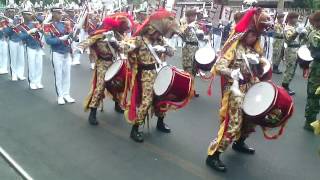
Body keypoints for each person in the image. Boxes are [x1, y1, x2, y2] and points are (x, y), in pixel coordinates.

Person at [206, 8, 272, 172]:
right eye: (252, 34)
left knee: (250, 120)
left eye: (256, 35)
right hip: (235, 90)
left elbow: (258, 69)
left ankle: (240, 142)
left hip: (251, 88)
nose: (254, 38)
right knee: (233, 124)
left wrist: (262, 66)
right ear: (245, 34)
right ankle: (213, 155)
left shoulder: (253, 49)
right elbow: (219, 66)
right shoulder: (234, 47)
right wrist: (231, 72)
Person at [123, 9, 180, 143]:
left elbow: (172, 52)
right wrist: (122, 44)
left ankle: (160, 122)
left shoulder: (160, 39)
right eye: (154, 31)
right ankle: (136, 128)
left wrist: (165, 49)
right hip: (146, 73)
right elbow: (125, 48)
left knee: (162, 98)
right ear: (149, 29)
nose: (156, 34)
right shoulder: (139, 40)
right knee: (147, 101)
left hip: (159, 71)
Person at [78, 13, 133, 125]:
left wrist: (116, 43)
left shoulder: (118, 36)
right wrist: (80, 48)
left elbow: (126, 47)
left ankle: (118, 104)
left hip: (115, 62)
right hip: (102, 63)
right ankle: (93, 112)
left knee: (119, 84)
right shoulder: (100, 35)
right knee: (100, 87)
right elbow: (88, 41)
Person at [44, 6, 75, 105]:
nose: (61, 15)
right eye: (58, 13)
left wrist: (73, 33)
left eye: (61, 13)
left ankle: (66, 94)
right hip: (57, 52)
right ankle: (60, 95)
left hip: (66, 51)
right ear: (53, 14)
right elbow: (48, 41)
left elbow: (73, 37)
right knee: (59, 75)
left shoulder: (65, 24)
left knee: (67, 74)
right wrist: (61, 39)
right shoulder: (48, 25)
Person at [282, 12, 306, 95]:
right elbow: (289, 39)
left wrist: (302, 33)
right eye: (295, 18)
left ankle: (287, 86)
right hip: (291, 50)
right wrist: (296, 32)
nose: (296, 20)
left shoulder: (294, 27)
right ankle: (284, 87)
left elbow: (300, 39)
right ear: (290, 19)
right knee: (289, 69)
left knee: (292, 70)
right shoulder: (288, 28)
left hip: (296, 49)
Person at [19, 8, 44, 89]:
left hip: (38, 46)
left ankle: (38, 81)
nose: (29, 16)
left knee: (39, 65)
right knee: (32, 65)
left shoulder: (35, 23)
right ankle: (32, 82)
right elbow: (21, 36)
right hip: (30, 46)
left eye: (30, 14)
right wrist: (29, 32)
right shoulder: (21, 26)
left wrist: (35, 16)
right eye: (27, 14)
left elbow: (42, 20)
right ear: (23, 15)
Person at [303, 11, 320, 131]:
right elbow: (316, 50)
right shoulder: (314, 34)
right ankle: (310, 121)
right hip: (317, 68)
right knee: (313, 95)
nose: (312, 23)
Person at [3, 5, 26, 81]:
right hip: (12, 41)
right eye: (10, 11)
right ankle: (14, 74)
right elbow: (6, 33)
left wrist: (24, 38)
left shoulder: (19, 20)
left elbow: (23, 29)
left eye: (13, 10)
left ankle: (20, 74)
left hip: (20, 41)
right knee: (13, 59)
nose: (11, 12)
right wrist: (10, 27)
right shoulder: (5, 21)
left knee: (21, 59)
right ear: (7, 12)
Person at [181, 9, 200, 97]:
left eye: (194, 15)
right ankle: (187, 90)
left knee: (194, 69)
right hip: (188, 48)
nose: (193, 17)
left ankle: (191, 88)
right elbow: (182, 35)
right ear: (188, 17)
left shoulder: (196, 25)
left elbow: (200, 35)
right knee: (188, 69)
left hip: (196, 49)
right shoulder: (184, 24)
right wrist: (189, 27)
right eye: (192, 16)